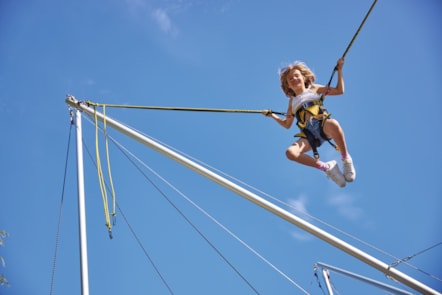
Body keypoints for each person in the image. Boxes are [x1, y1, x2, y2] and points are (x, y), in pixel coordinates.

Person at [263, 57, 355, 187]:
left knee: (333, 123)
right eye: (290, 79)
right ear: (288, 85)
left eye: (296, 76)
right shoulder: (291, 103)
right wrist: (272, 115)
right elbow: (287, 124)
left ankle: (345, 158)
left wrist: (339, 70)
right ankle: (327, 167)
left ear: (303, 78)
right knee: (290, 153)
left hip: (323, 125)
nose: (294, 79)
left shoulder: (313, 88)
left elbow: (339, 90)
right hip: (309, 135)